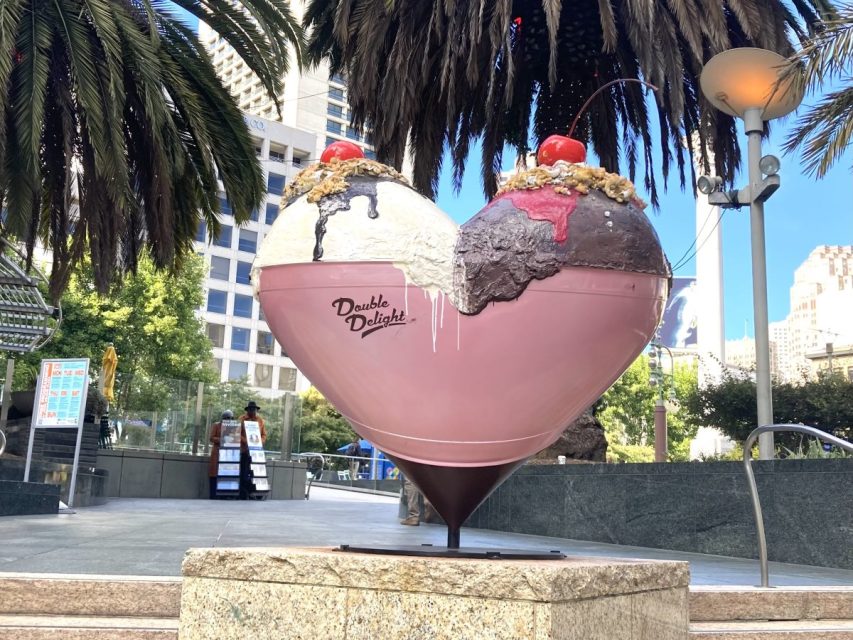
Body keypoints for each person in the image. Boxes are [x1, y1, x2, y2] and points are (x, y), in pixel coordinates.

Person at [238, 401, 266, 499]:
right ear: (247, 410)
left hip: (256, 451)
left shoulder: (260, 420)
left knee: (256, 472)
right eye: (250, 409)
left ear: (256, 410)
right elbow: (237, 433)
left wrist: (260, 442)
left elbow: (264, 434)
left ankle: (255, 493)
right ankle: (243, 493)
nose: (252, 411)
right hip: (244, 451)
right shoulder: (241, 419)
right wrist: (246, 441)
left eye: (254, 409)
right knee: (243, 472)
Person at [208, 410, 234, 499]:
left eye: (230, 418)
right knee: (214, 474)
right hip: (217, 452)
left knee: (226, 474)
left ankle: (225, 495)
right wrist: (223, 439)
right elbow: (211, 438)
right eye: (226, 418)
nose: (228, 420)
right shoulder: (216, 425)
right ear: (222, 418)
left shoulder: (233, 427)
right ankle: (213, 495)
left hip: (228, 453)